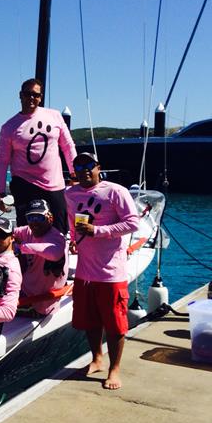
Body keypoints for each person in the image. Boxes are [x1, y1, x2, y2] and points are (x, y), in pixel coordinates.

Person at [65, 152, 139, 390]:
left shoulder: (116, 191)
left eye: (89, 164)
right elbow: (71, 219)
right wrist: (74, 238)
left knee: (115, 324)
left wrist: (97, 231)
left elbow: (133, 223)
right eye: (78, 165)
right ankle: (97, 358)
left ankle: (114, 369)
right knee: (90, 320)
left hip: (111, 272)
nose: (84, 169)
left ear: (98, 167)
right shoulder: (70, 193)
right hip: (85, 271)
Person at [0, 78, 77, 234]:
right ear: (20, 95)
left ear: (40, 97)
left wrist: (75, 174)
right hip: (25, 184)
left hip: (54, 184)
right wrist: (0, 192)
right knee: (27, 232)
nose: (31, 97)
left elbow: (68, 146)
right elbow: (3, 161)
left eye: (36, 94)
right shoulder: (8, 127)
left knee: (59, 230)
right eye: (27, 94)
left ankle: (56, 257)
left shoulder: (55, 116)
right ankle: (28, 257)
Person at [13, 199, 69, 317]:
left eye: (39, 217)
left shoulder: (56, 238)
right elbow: (8, 233)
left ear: (50, 218)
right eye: (30, 218)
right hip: (26, 291)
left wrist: (21, 248)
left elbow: (55, 254)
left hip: (40, 304)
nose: (34, 223)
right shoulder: (28, 231)